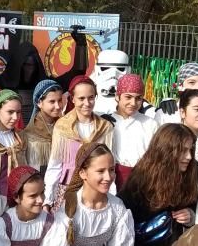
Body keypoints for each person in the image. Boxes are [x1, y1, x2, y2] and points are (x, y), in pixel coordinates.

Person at [119, 124, 198, 246]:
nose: (189, 157)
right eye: (183, 151)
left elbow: (197, 207)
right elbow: (124, 216)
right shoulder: (141, 178)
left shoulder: (194, 171)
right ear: (166, 150)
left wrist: (190, 215)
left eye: (191, 149)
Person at [44, 76, 114, 208]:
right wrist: (48, 199)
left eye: (91, 97)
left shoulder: (105, 127)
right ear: (73, 99)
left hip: (96, 190)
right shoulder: (62, 126)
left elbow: (110, 164)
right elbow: (55, 164)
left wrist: (111, 194)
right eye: (81, 98)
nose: (87, 103)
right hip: (67, 189)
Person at [103, 74, 158, 191]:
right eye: (128, 97)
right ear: (117, 97)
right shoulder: (107, 122)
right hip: (113, 180)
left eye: (138, 98)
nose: (133, 103)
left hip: (144, 181)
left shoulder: (150, 124)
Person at [23, 79, 62, 173]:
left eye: (59, 100)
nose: (57, 106)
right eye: (52, 102)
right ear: (39, 103)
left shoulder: (64, 127)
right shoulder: (29, 134)